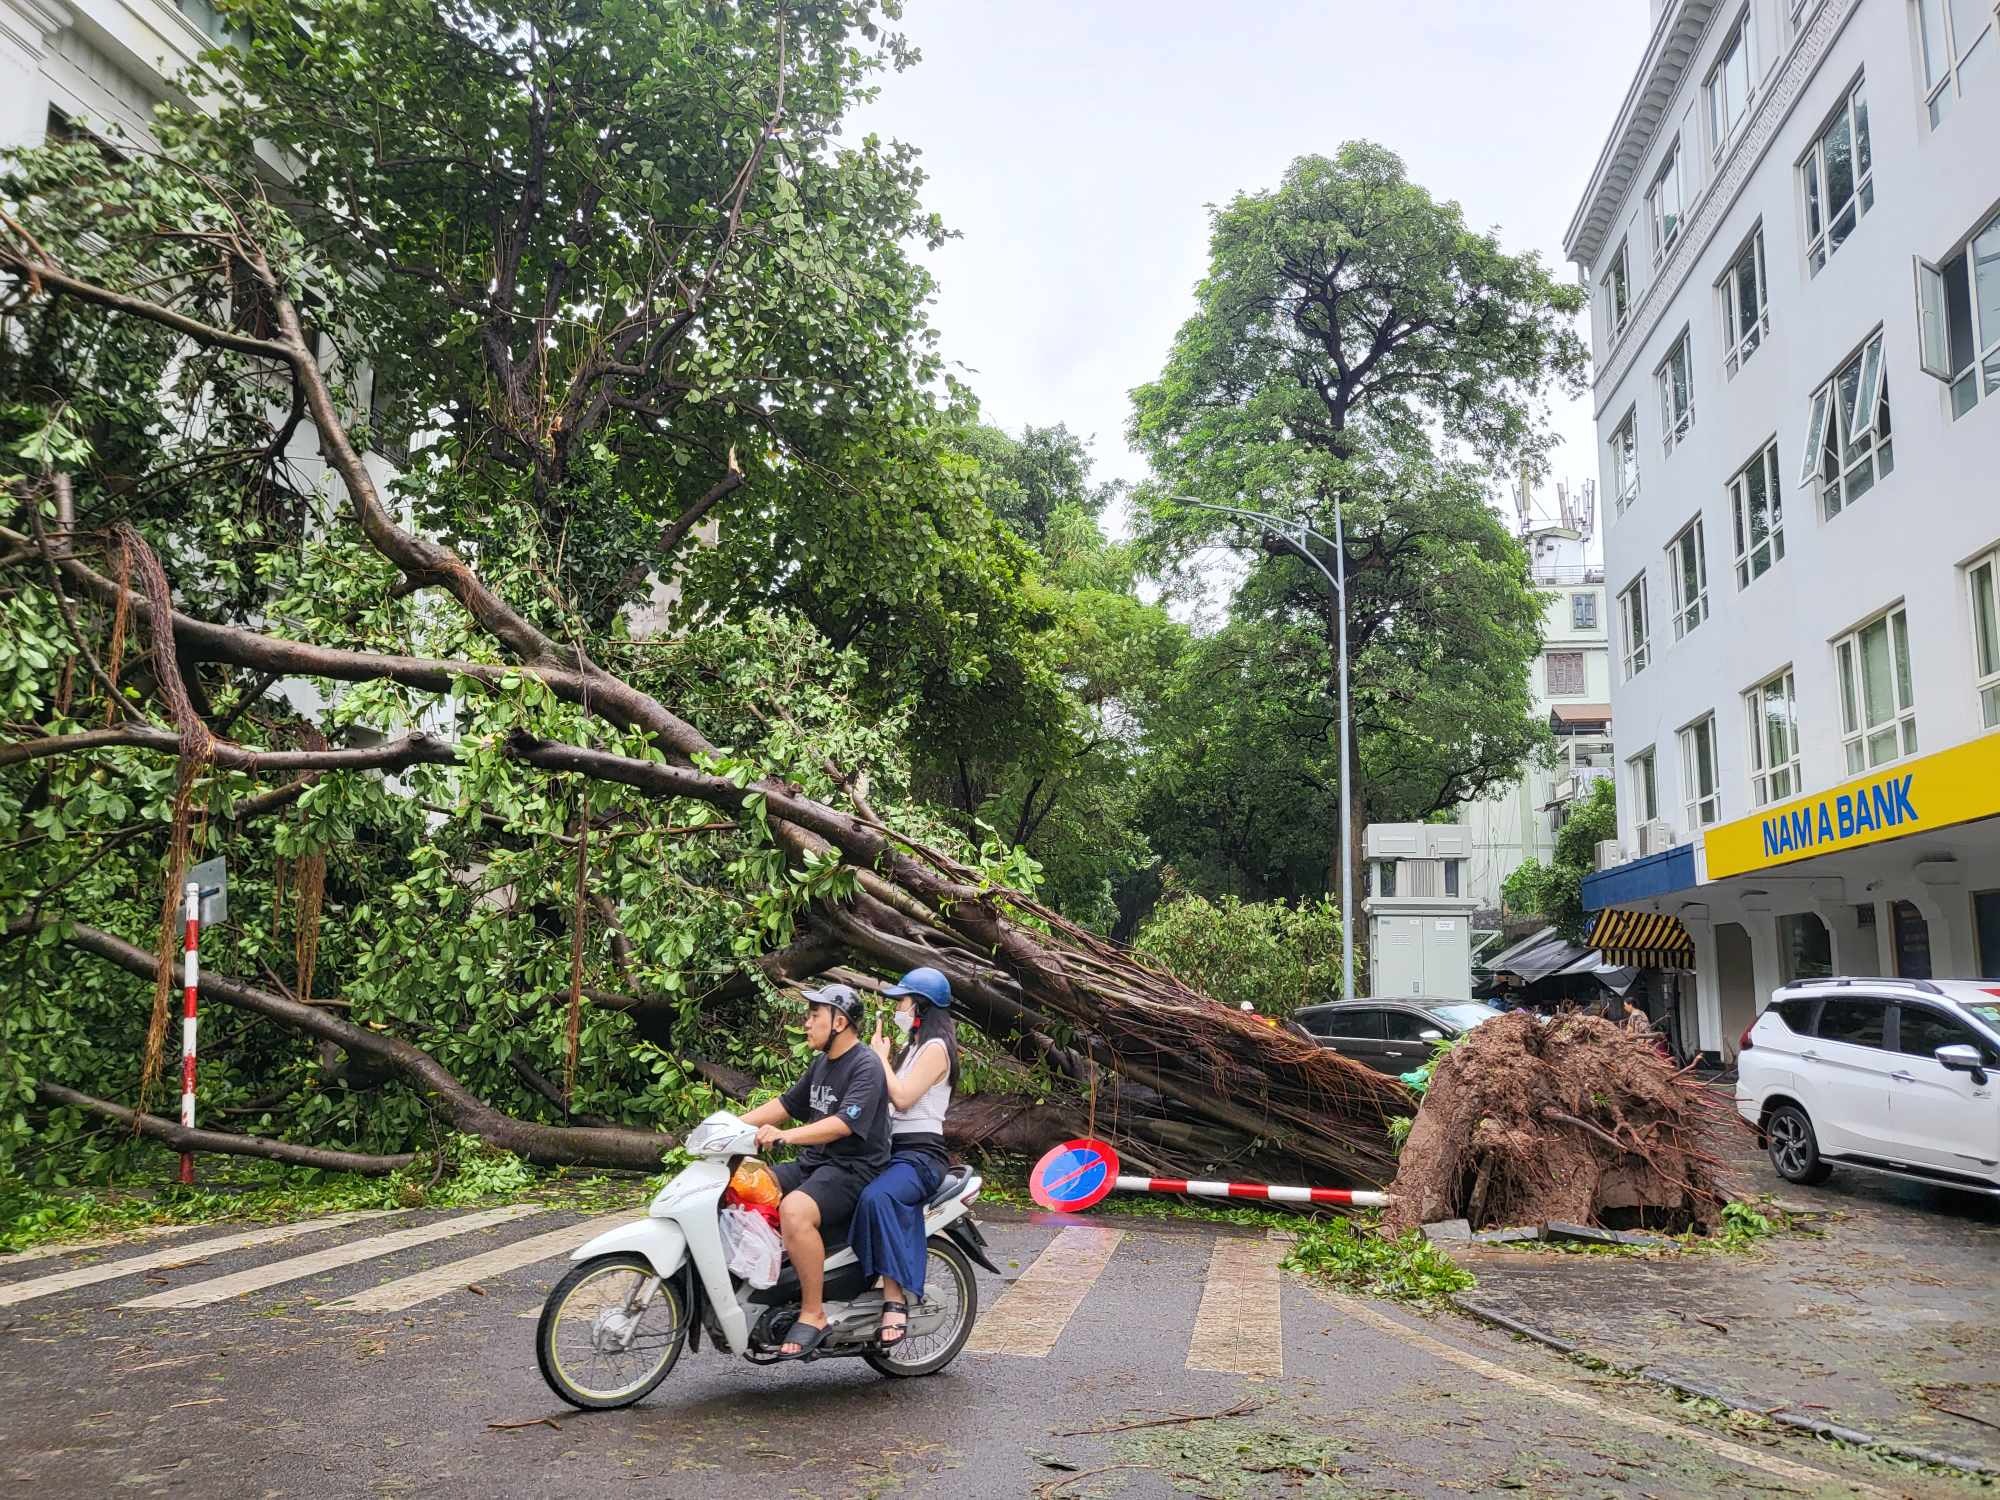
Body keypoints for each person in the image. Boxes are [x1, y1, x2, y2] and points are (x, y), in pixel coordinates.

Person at [740, 983, 890, 1358]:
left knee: (794, 1209)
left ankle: (813, 1311)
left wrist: (787, 1138)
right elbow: (786, 1104)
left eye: (813, 1016)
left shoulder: (866, 1065)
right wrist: (728, 1126)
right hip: (818, 1164)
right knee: (747, 1186)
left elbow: (842, 1123)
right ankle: (770, 1283)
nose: (806, 1023)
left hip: (853, 1170)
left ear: (839, 1022)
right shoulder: (822, 1063)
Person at [850, 967, 959, 1349]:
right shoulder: (913, 1047)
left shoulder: (935, 1049)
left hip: (921, 1157)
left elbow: (903, 1098)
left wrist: (880, 1057)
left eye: (902, 1000)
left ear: (921, 1006)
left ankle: (895, 1298)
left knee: (878, 1197)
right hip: (893, 1150)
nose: (897, 1007)